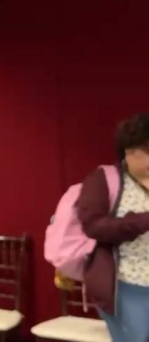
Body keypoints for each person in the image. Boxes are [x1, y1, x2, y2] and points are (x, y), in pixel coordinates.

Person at [76, 113, 149, 342]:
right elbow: (94, 226)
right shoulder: (104, 179)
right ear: (129, 151)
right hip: (127, 286)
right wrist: (143, 220)